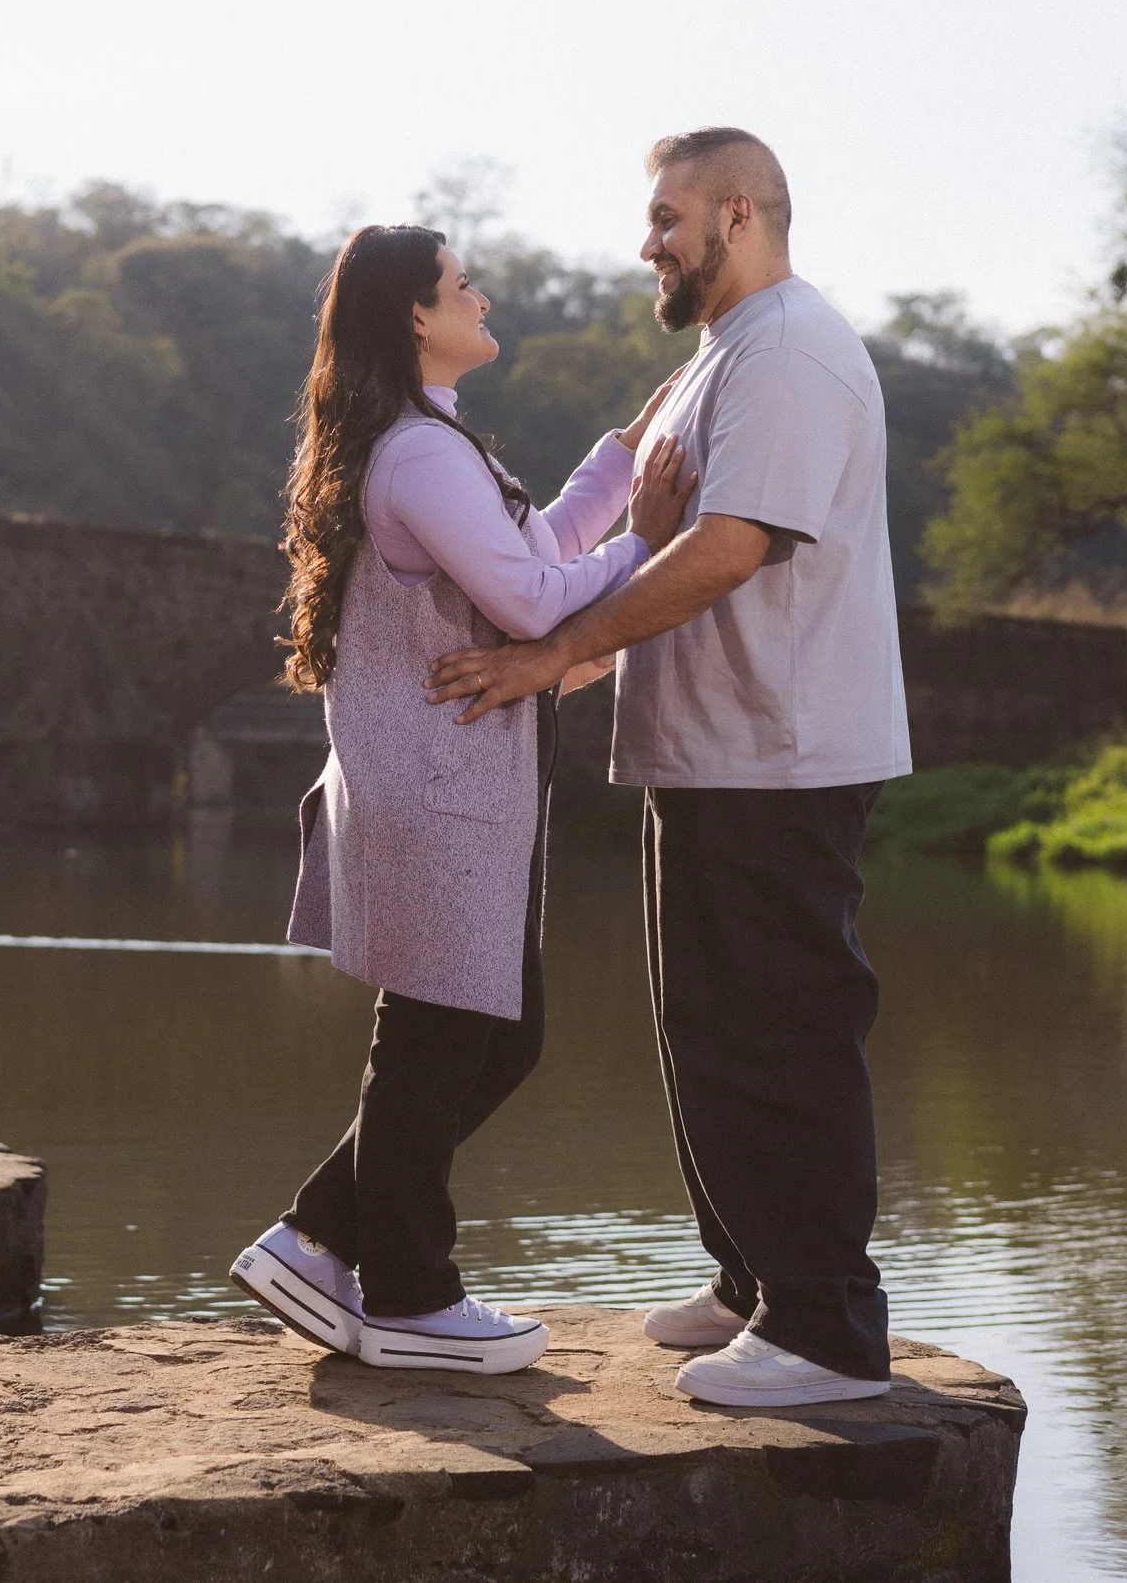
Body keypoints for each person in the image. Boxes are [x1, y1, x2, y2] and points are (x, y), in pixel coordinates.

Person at [425, 129, 911, 1407]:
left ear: (736, 213)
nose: (647, 243)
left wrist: (557, 657)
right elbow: (637, 511)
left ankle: (825, 1328)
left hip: (780, 752)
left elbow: (728, 546)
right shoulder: (718, 359)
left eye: (666, 219)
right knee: (706, 1028)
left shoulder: (793, 351)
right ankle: (754, 1281)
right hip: (710, 751)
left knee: (780, 1031)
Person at [230, 224, 697, 1376]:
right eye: (460, 286)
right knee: (442, 1038)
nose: (481, 295)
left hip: (445, 785)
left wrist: (616, 466)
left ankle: (320, 1236)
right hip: (438, 788)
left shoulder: (423, 446)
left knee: (489, 1035)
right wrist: (659, 535)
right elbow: (536, 600)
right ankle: (408, 1292)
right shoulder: (423, 456)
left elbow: (527, 550)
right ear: (414, 319)